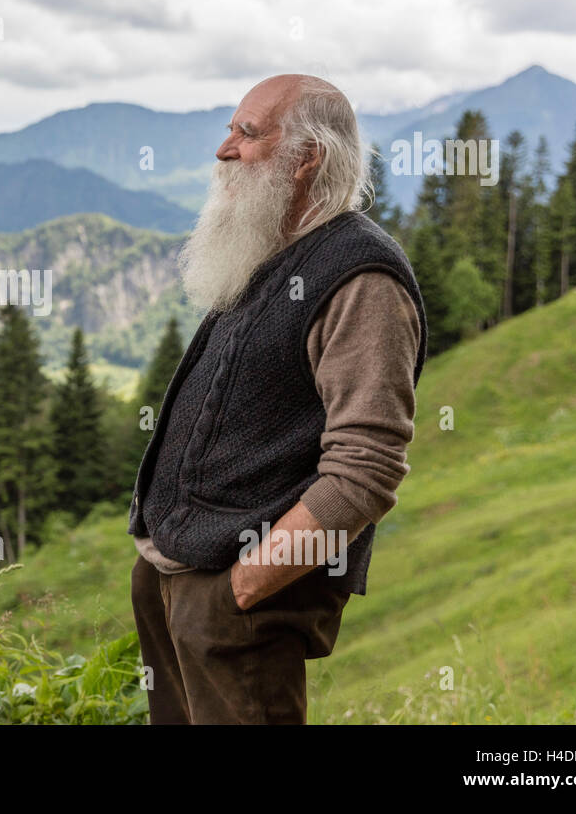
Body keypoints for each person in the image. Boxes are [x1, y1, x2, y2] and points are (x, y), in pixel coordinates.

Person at [128, 74, 427, 724]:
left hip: (242, 604)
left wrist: (241, 589)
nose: (223, 150)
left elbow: (365, 473)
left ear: (306, 158)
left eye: (247, 133)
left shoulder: (361, 277)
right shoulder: (269, 253)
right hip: (177, 584)